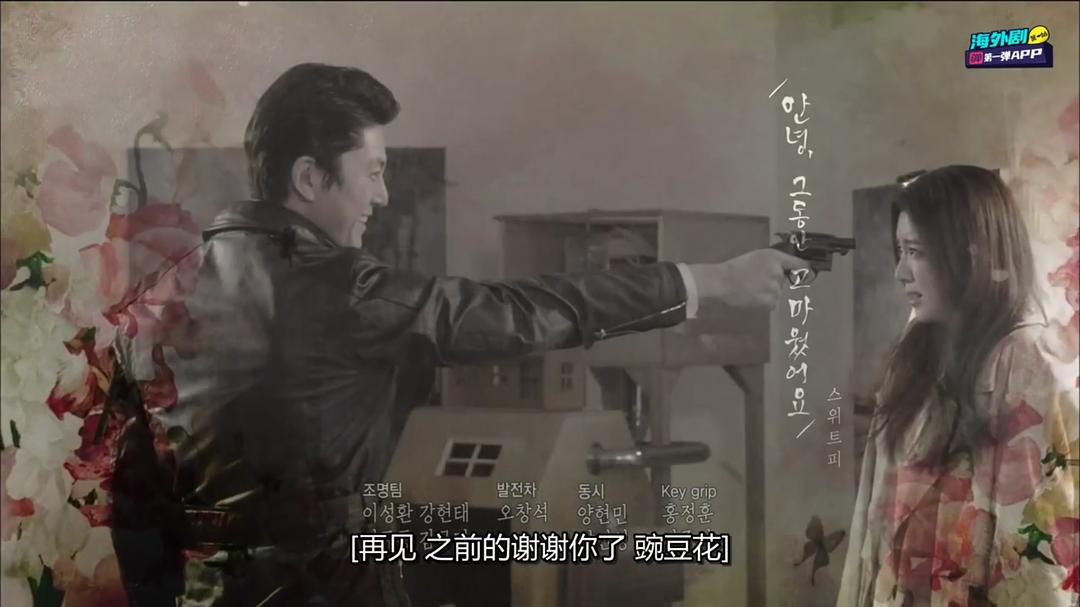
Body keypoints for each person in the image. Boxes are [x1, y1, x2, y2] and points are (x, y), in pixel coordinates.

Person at [109, 62, 811, 606]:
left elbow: (133, 511)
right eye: (372, 173)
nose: (383, 196)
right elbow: (516, 311)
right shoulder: (346, 288)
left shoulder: (147, 306)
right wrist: (706, 281)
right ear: (309, 178)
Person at [837, 165, 1079, 606]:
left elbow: (1036, 554)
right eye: (900, 251)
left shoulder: (1021, 361)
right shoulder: (914, 354)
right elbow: (874, 518)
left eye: (915, 252)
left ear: (972, 254)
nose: (900, 272)